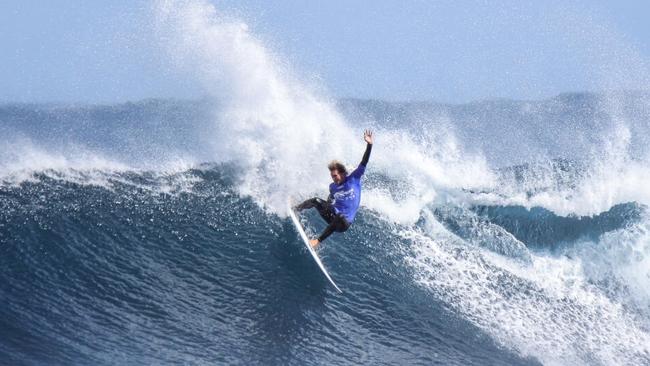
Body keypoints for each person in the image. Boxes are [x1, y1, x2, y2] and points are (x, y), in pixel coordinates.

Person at [295, 130, 373, 249]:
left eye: (335, 176)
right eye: (332, 176)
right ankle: (296, 209)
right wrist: (327, 205)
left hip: (343, 224)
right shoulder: (333, 187)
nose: (333, 178)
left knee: (340, 216)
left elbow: (364, 161)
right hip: (333, 216)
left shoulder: (354, 178)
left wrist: (369, 145)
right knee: (316, 200)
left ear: (342, 173)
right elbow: (331, 198)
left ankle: (317, 241)